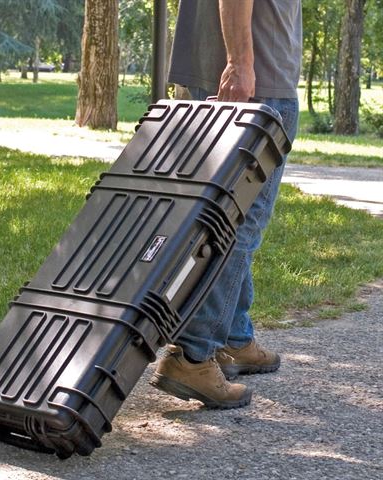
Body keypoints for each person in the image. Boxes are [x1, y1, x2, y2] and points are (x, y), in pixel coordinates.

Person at [150, 0, 302, 409]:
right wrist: (240, 63)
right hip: (257, 78)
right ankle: (193, 355)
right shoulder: (250, 71)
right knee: (238, 223)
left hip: (225, 69)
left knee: (227, 216)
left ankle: (234, 338)